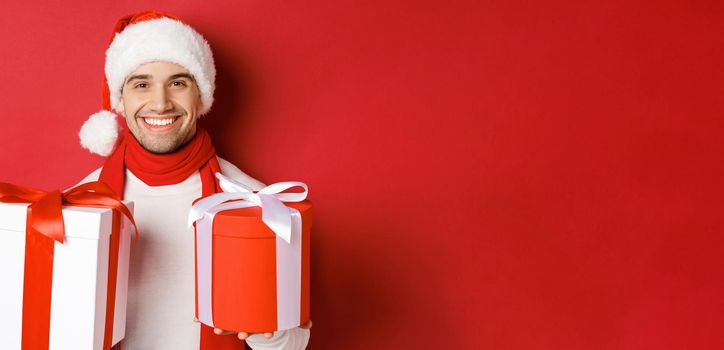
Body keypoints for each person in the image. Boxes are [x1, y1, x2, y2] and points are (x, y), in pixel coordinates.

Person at [76, 10, 311, 350]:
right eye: (141, 84)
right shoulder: (75, 209)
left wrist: (267, 331)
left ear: (200, 95)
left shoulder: (259, 206)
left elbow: (294, 344)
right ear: (120, 100)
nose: (160, 103)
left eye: (178, 83)